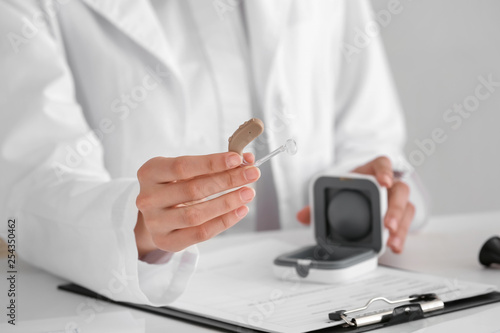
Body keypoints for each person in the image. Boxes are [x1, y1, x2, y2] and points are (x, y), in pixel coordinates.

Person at [0, 0, 421, 306]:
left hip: (321, 300)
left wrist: (370, 189)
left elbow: (370, 137)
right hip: (145, 309)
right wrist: (135, 224)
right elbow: (27, 185)